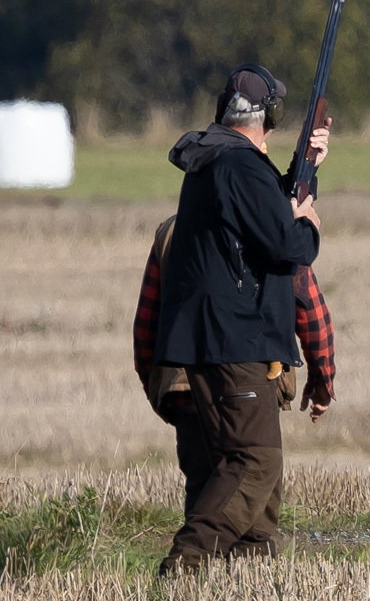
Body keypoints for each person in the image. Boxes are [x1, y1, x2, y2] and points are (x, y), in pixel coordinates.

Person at [152, 65, 330, 574]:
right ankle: (186, 565)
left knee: (242, 474)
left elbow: (263, 212)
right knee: (255, 463)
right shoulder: (240, 166)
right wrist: (310, 227)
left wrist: (305, 166)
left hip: (211, 339)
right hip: (235, 341)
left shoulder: (216, 161)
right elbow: (285, 243)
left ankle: (246, 578)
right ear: (269, 115)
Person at [133, 219, 336, 521]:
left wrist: (161, 388)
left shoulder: (171, 231)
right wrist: (323, 378)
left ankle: (198, 565)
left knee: (204, 493)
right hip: (253, 380)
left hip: (185, 386)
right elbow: (308, 306)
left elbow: (147, 324)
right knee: (256, 495)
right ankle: (196, 558)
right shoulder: (271, 224)